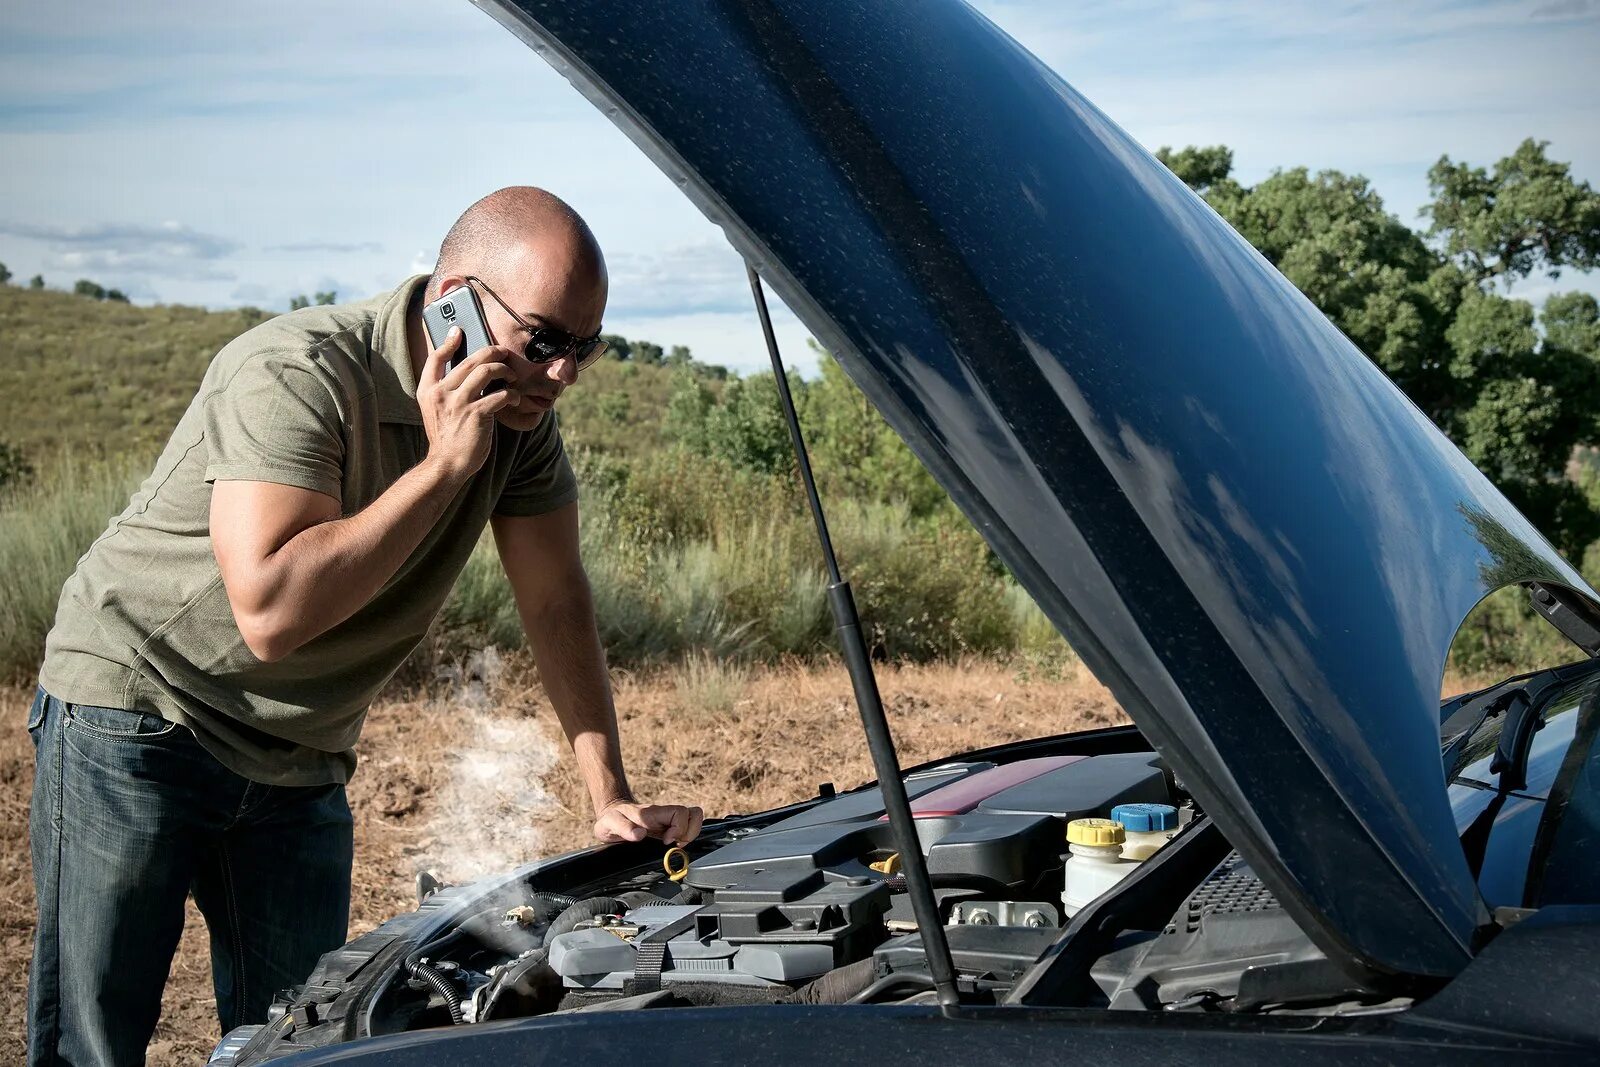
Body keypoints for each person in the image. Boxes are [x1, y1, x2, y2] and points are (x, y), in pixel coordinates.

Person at [25, 187, 703, 1065]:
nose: (564, 373)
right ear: (454, 296)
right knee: (94, 1041)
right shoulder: (295, 370)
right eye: (543, 338)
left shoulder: (522, 416)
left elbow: (555, 599)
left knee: (307, 1041)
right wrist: (446, 465)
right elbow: (271, 611)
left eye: (586, 346)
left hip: (300, 753)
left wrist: (607, 792)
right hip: (139, 710)